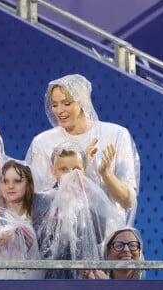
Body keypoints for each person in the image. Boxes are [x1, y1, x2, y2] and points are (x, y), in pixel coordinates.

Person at [25, 74, 140, 225]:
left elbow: (127, 202)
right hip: (61, 239)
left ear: (83, 102)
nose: (59, 110)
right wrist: (77, 170)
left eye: (66, 103)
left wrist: (106, 173)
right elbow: (37, 201)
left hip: (110, 239)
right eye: (54, 104)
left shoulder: (116, 135)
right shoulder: (43, 142)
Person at [36, 143, 124, 279]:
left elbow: (98, 236)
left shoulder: (93, 199)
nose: (71, 174)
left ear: (83, 170)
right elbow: (42, 241)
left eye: (76, 168)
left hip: (85, 276)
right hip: (51, 277)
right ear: (52, 169)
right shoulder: (43, 199)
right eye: (63, 169)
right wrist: (62, 208)